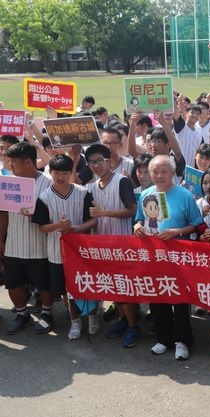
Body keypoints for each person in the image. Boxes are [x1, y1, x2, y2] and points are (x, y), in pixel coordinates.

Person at [133, 155, 203, 360]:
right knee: (157, 297)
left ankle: (183, 340)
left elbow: (197, 225)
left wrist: (177, 231)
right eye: (154, 171)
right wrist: (137, 226)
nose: (159, 175)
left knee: (180, 299)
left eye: (164, 171)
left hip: (177, 256)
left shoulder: (185, 196)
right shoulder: (146, 194)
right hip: (154, 257)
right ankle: (163, 338)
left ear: (173, 173)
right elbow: (139, 219)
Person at [31, 154, 98, 340]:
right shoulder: (44, 198)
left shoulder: (83, 192)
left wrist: (76, 228)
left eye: (65, 172)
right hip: (56, 251)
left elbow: (93, 220)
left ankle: (93, 316)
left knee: (88, 284)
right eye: (56, 172)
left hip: (82, 249)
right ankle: (75, 321)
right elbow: (42, 227)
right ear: (50, 172)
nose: (60, 177)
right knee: (68, 289)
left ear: (71, 172)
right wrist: (59, 226)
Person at [84, 144, 139, 347]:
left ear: (109, 160)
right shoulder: (92, 186)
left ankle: (133, 326)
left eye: (100, 161)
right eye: (92, 162)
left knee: (125, 287)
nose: (96, 165)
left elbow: (132, 210)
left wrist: (104, 213)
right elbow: (93, 218)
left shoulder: (121, 181)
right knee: (113, 287)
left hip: (122, 243)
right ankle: (124, 320)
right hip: (103, 244)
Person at [0, 142, 53, 334]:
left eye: (13, 162)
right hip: (13, 244)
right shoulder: (7, 182)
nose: (10, 165)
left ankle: (46, 313)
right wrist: (0, 241)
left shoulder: (48, 182)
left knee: (43, 284)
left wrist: (35, 215)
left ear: (28, 162)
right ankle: (22, 314)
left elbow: (56, 212)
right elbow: (3, 214)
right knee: (12, 283)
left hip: (39, 245)